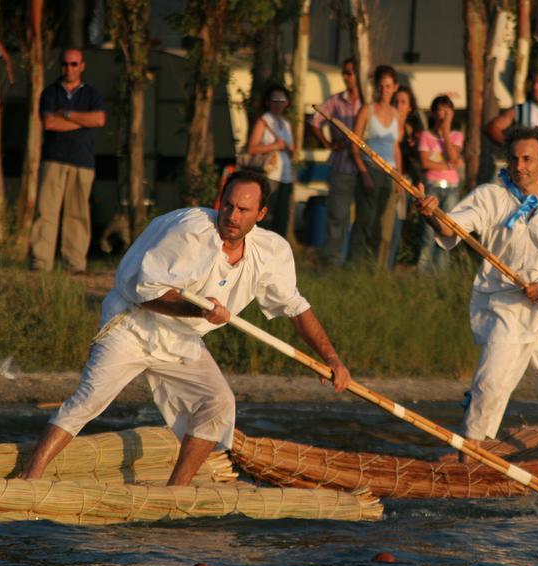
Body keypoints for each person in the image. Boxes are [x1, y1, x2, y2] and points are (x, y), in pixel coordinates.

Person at [21, 170, 351, 484]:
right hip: (133, 325)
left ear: (261, 214)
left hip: (182, 339)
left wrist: (331, 359)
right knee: (89, 401)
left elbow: (295, 307)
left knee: (219, 404)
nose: (232, 216)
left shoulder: (271, 251)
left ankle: (175, 493)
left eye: (243, 210)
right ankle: (30, 478)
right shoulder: (191, 232)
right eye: (228, 206)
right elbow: (147, 294)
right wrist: (199, 311)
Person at [415, 126, 538, 456]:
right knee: (489, 385)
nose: (520, 166)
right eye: (514, 159)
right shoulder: (491, 197)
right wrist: (432, 215)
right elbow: (451, 227)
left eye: (528, 159)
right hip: (505, 309)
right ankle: (470, 458)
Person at [29, 48, 106, 274]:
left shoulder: (92, 94)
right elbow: (50, 123)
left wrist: (68, 115)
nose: (69, 68)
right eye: (65, 64)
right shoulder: (50, 93)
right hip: (53, 160)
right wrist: (83, 121)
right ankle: (40, 263)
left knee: (78, 214)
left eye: (74, 64)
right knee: (46, 212)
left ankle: (74, 264)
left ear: (82, 66)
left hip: (83, 162)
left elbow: (99, 119)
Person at [309, 58, 361, 267]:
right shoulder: (336, 101)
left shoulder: (368, 101)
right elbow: (315, 121)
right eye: (345, 73)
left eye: (351, 72)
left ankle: (356, 261)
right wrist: (327, 143)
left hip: (366, 166)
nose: (347, 77)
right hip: (342, 164)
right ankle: (332, 260)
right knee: (337, 215)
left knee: (363, 218)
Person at [350, 65, 402, 265]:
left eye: (388, 86)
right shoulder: (367, 110)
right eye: (381, 86)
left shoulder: (396, 114)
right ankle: (356, 266)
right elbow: (354, 145)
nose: (384, 90)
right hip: (370, 169)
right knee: (365, 222)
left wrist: (400, 178)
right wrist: (364, 174)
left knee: (385, 227)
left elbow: (396, 148)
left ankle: (379, 269)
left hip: (390, 173)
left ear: (395, 87)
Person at [416, 95, 464, 272]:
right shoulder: (426, 135)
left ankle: (441, 275)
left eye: (447, 110)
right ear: (434, 113)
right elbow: (425, 162)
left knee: (447, 231)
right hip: (432, 185)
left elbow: (453, 156)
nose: (443, 114)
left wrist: (445, 132)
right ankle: (422, 273)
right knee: (428, 233)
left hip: (451, 188)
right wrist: (449, 166)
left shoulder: (457, 135)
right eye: (440, 110)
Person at [246, 84, 294, 237]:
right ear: (267, 102)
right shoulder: (263, 121)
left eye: (282, 101)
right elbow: (251, 149)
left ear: (287, 103)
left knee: (282, 219)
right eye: (274, 100)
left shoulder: (286, 124)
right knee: (266, 218)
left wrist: (289, 150)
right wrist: (275, 146)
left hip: (285, 176)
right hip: (269, 175)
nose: (278, 104)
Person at [387, 85, 424, 268]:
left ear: (410, 107)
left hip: (409, 181)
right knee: (390, 224)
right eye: (396, 101)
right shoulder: (387, 125)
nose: (399, 105)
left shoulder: (415, 130)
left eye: (403, 102)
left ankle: (396, 262)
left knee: (402, 225)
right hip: (391, 178)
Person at [486, 70, 538, 144]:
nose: (535, 86)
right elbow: (493, 128)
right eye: (534, 83)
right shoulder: (520, 110)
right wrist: (511, 146)